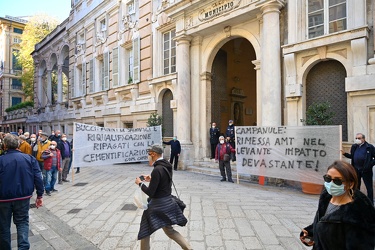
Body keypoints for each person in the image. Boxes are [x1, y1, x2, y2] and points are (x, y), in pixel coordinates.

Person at [300, 160, 375, 249]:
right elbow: (323, 221)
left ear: (350, 184)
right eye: (328, 178)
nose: (331, 184)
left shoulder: (357, 214)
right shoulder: (326, 197)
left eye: (337, 181)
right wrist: (310, 232)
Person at [134, 144, 191, 250]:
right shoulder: (167, 165)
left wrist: (140, 183)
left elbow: (151, 192)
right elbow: (164, 180)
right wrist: (152, 178)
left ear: (154, 154)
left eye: (149, 154)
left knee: (145, 230)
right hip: (168, 202)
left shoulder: (157, 169)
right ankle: (188, 248)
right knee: (170, 231)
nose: (149, 156)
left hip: (157, 205)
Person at [0, 134, 44, 249]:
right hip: (23, 197)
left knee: (4, 226)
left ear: (5, 145)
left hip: (3, 198)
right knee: (22, 223)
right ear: (18, 145)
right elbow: (38, 178)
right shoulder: (29, 159)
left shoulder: (1, 160)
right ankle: (23, 247)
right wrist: (40, 195)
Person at [341, 133, 375, 204]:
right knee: (356, 186)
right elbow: (352, 156)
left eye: (359, 138)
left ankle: (370, 202)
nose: (357, 140)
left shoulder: (369, 147)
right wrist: (344, 154)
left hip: (366, 170)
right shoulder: (354, 146)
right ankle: (357, 201)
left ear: (363, 139)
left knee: (369, 187)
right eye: (356, 138)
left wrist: (370, 165)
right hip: (356, 170)